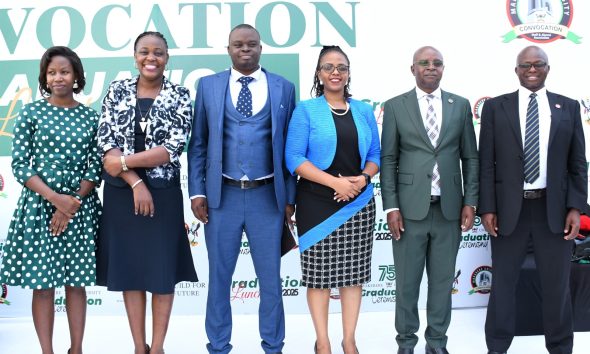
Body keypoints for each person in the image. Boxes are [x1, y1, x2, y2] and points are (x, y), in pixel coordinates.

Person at [187, 24, 296, 354]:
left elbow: (291, 149)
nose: (245, 49)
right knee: (219, 279)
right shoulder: (208, 86)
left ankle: (273, 347)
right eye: (238, 45)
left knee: (271, 281)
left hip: (268, 197)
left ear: (261, 48)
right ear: (229, 49)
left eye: (251, 44)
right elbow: (199, 145)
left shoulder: (284, 88)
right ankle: (218, 347)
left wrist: (289, 198)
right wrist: (197, 192)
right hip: (223, 196)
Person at [479, 46, 587, 354]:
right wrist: (487, 207)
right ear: (516, 70)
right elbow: (486, 162)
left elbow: (577, 163)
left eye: (538, 64)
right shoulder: (496, 108)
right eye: (525, 65)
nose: (532, 69)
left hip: (552, 210)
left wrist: (576, 207)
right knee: (503, 285)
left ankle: (561, 347)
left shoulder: (567, 107)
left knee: (557, 287)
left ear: (548, 69)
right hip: (508, 211)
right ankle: (497, 347)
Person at [96, 31, 198, 354]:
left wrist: (125, 161)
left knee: (161, 270)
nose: (150, 58)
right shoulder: (117, 90)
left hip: (164, 195)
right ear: (134, 56)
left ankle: (157, 348)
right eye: (144, 52)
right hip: (121, 195)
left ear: (167, 58)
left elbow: (172, 148)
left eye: (158, 53)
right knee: (132, 271)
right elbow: (106, 144)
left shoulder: (180, 95)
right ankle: (139, 347)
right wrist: (135, 181)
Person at [0, 46, 101, 354]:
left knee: (76, 283)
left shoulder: (90, 117)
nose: (58, 77)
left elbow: (95, 165)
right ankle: (47, 351)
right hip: (39, 207)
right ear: (45, 77)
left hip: (79, 209)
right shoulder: (31, 112)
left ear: (76, 77)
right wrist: (56, 199)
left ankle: (77, 349)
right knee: (43, 285)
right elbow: (20, 164)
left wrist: (71, 203)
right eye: (52, 72)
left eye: (65, 72)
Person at [380, 46, 478, 354]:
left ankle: (436, 343)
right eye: (424, 63)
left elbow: (470, 159)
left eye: (436, 63)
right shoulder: (396, 106)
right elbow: (389, 159)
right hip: (409, 211)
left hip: (449, 210)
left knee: (441, 284)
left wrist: (470, 201)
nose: (431, 67)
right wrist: (392, 206)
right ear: (413, 69)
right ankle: (406, 343)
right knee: (407, 286)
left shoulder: (460, 106)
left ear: (443, 69)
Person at [284, 45, 380, 354]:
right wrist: (334, 182)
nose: (335, 72)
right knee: (319, 277)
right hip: (316, 203)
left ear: (349, 72)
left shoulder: (364, 110)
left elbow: (376, 155)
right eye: (328, 67)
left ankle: (349, 340)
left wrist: (362, 179)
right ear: (319, 73)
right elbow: (294, 157)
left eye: (341, 66)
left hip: (358, 202)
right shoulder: (306, 110)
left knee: (353, 275)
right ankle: (322, 342)